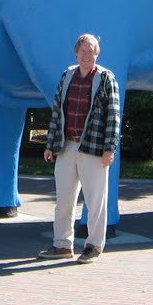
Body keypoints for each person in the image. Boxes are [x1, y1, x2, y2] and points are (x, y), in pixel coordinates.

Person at [38, 33, 121, 263]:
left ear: (97, 54)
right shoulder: (67, 76)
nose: (87, 55)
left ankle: (93, 245)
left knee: (95, 201)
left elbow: (114, 116)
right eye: (83, 51)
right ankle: (62, 244)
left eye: (91, 51)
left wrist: (109, 149)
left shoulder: (106, 78)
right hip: (67, 145)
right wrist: (51, 144)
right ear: (76, 53)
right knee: (64, 199)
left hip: (93, 148)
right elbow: (57, 111)